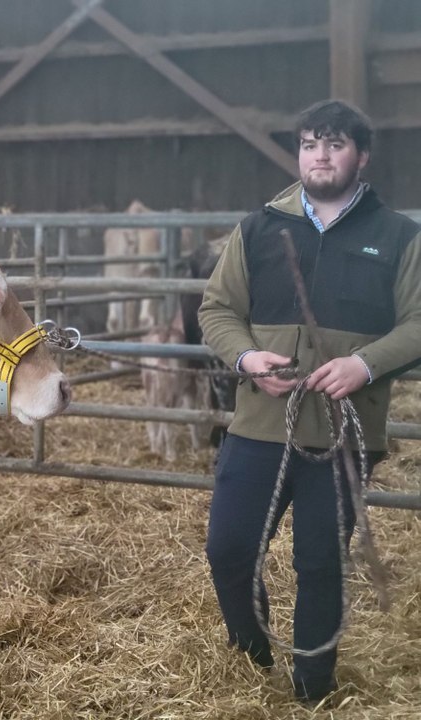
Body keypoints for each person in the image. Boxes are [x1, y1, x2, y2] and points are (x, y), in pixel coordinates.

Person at [198, 99, 421, 702]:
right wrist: (245, 358)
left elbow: (418, 321)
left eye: (335, 144)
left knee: (319, 564)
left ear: (361, 155)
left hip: (344, 434)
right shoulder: (259, 228)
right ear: (299, 154)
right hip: (258, 425)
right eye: (310, 144)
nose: (320, 155)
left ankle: (311, 690)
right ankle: (250, 660)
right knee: (230, 549)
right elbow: (217, 310)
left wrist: (364, 363)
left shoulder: (399, 236)